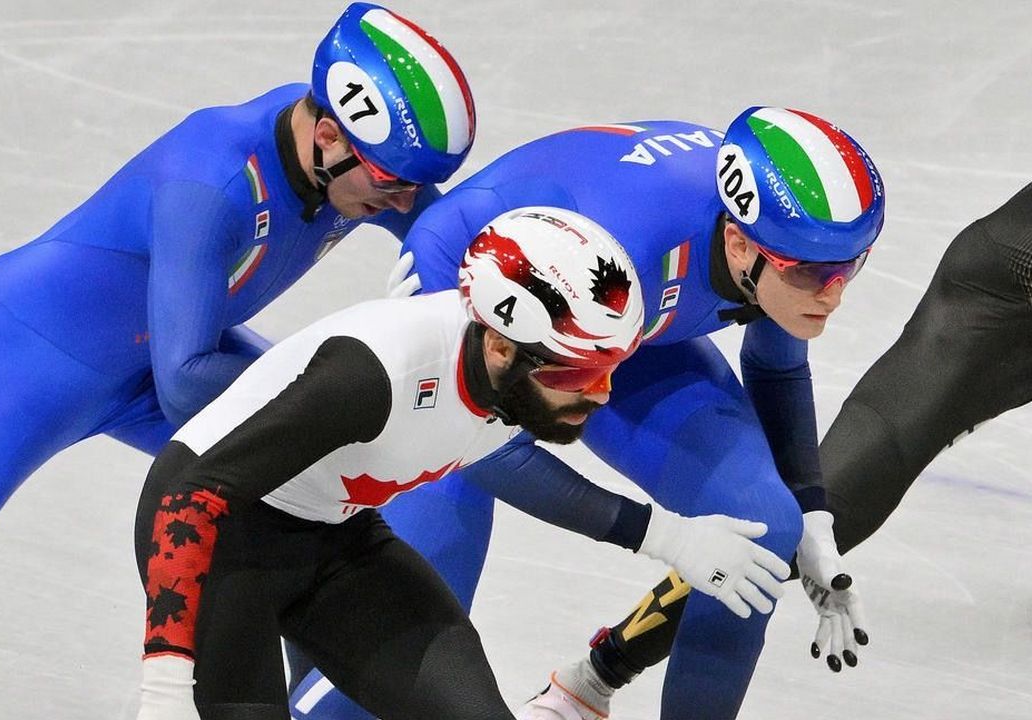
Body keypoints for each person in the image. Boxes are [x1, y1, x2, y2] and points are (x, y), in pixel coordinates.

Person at [0, 4, 477, 718]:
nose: (404, 202)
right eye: (391, 184)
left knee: (337, 491)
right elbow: (190, 381)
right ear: (327, 136)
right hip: (31, 360)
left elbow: (452, 233)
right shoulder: (217, 179)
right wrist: (348, 396)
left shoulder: (354, 165)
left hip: (157, 357)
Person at [287, 107, 886, 720]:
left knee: (765, 524)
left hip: (617, 314)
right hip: (485, 297)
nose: (835, 294)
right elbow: (490, 450)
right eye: (816, 274)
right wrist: (665, 536)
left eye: (853, 266)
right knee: (409, 641)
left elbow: (779, 364)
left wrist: (810, 510)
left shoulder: (776, 243)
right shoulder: (641, 244)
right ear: (738, 245)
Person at [132, 206, 793, 720]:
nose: (603, 392)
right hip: (222, 543)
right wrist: (166, 680)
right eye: (585, 371)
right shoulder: (377, 373)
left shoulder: (499, 378)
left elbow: (529, 475)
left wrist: (674, 537)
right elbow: (192, 498)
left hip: (339, 541)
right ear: (507, 348)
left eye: (613, 366)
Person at [521, 180, 1032, 713]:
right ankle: (597, 677)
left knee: (802, 522)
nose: (833, 293)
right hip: (1009, 293)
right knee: (807, 519)